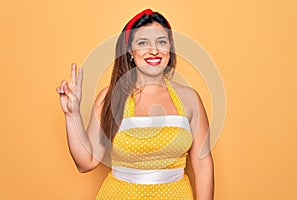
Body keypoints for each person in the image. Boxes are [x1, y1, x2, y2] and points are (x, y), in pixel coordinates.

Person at [56, 8, 214, 200]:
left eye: (161, 42)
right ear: (130, 51)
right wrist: (71, 114)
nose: (154, 50)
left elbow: (203, 164)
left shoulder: (190, 99)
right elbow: (86, 162)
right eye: (143, 43)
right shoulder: (110, 98)